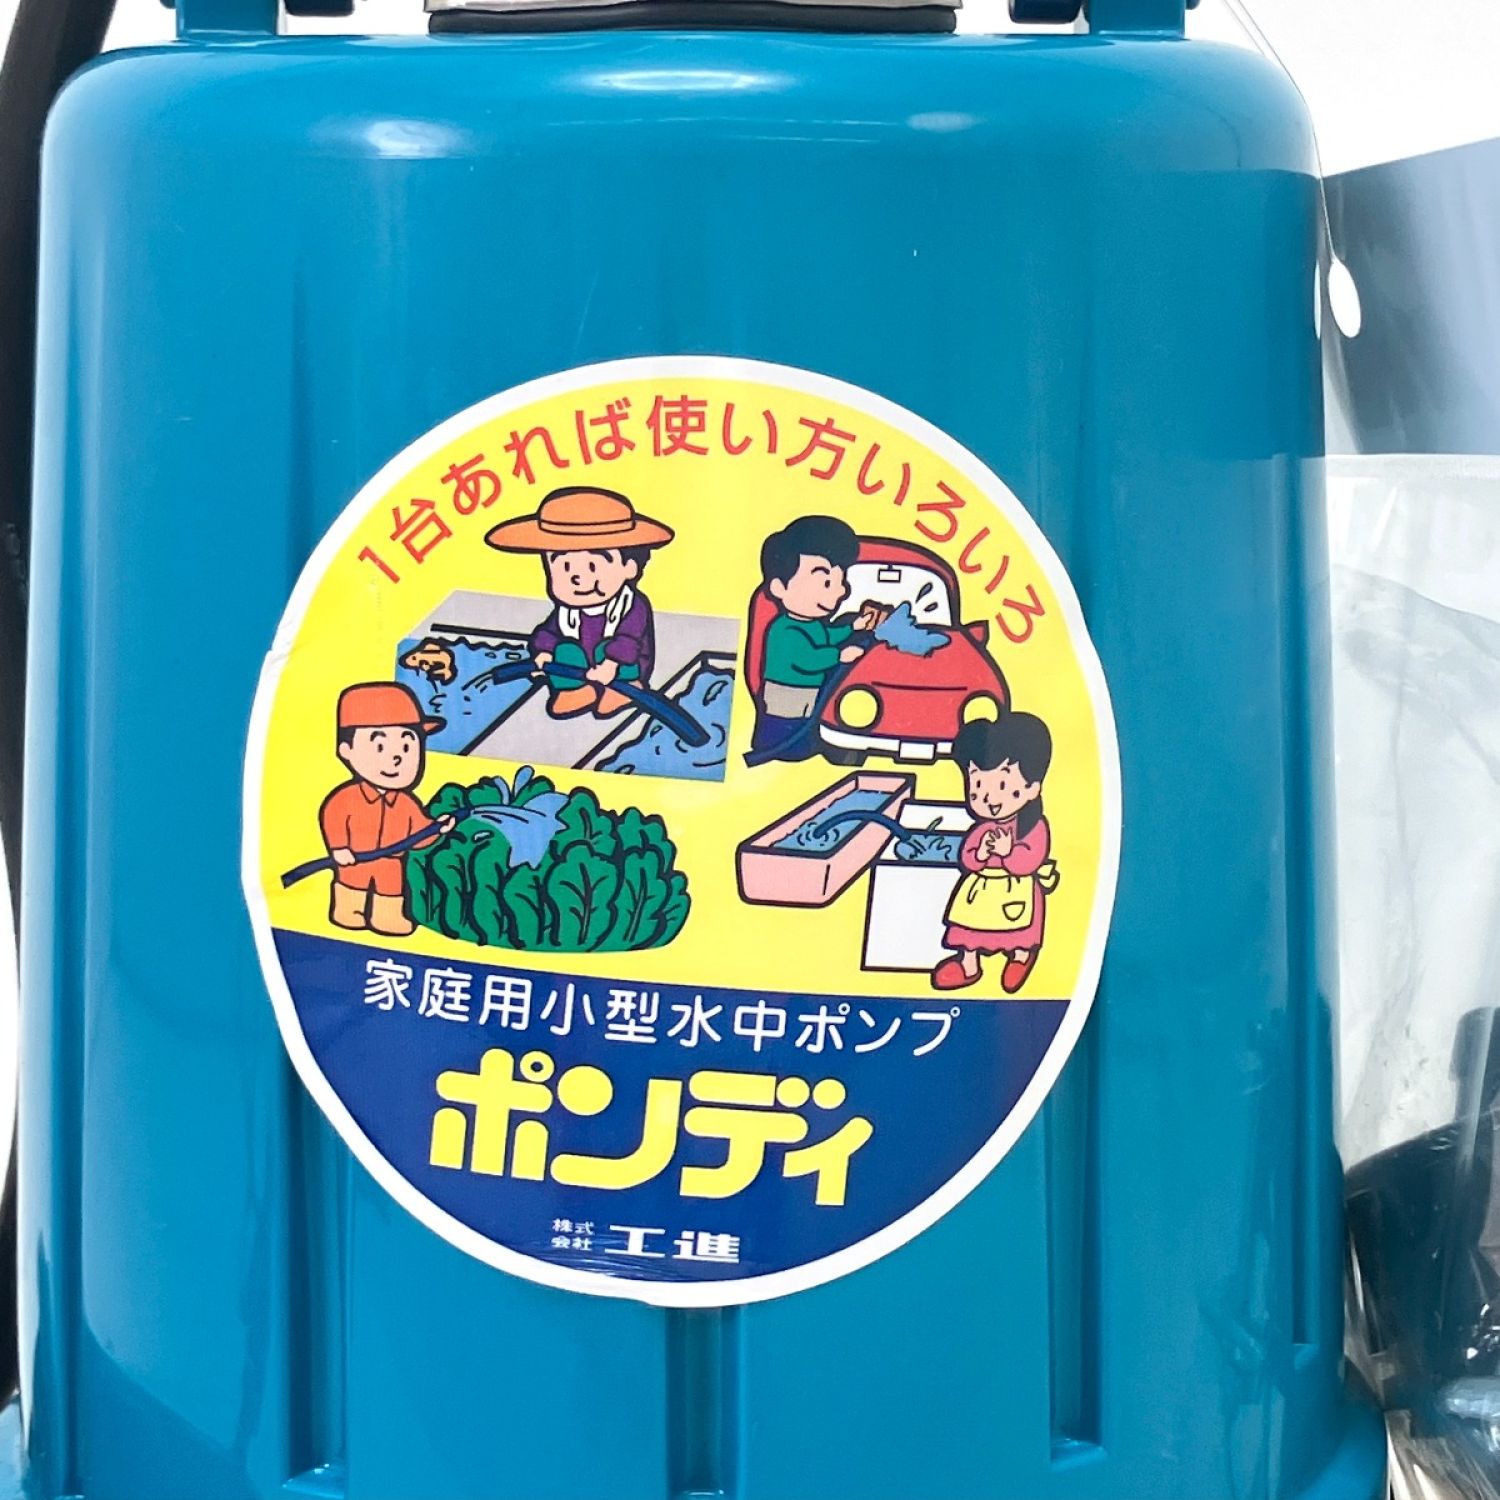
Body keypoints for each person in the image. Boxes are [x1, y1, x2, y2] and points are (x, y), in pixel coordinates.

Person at [485, 487, 673, 719]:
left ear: (629, 567)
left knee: (610, 649)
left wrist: (611, 665)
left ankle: (624, 689)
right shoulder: (567, 612)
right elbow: (550, 631)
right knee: (566, 649)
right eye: (565, 567)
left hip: (621, 666)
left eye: (592, 567)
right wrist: (543, 652)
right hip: (584, 667)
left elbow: (628, 640)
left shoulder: (632, 605)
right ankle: (575, 691)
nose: (578, 579)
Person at [933, 712, 1059, 994]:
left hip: (1016, 891)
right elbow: (967, 856)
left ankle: (1021, 957)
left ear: (1031, 788)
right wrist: (979, 854)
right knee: (968, 928)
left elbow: (1030, 860)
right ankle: (968, 964)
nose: (989, 799)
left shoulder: (1033, 827)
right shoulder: (983, 828)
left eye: (1002, 786)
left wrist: (1007, 853)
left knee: (1019, 931)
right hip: (981, 890)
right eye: (977, 787)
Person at [319, 682, 455, 937]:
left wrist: (438, 829)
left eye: (407, 747)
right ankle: (349, 913)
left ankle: (389, 918)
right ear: (347, 751)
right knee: (351, 890)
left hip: (391, 864)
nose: (397, 758)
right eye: (380, 747)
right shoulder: (346, 798)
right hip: (355, 860)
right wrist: (338, 848)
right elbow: (333, 818)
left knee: (390, 893)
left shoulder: (406, 803)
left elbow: (419, 833)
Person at [753, 515, 881, 760]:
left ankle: (798, 749)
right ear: (780, 588)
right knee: (784, 727)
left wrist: (854, 626)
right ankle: (776, 751)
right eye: (825, 582)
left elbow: (828, 635)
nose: (841, 592)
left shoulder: (813, 625)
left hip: (806, 691)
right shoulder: (784, 629)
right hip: (785, 692)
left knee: (804, 724)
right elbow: (806, 658)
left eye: (839, 581)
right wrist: (840, 655)